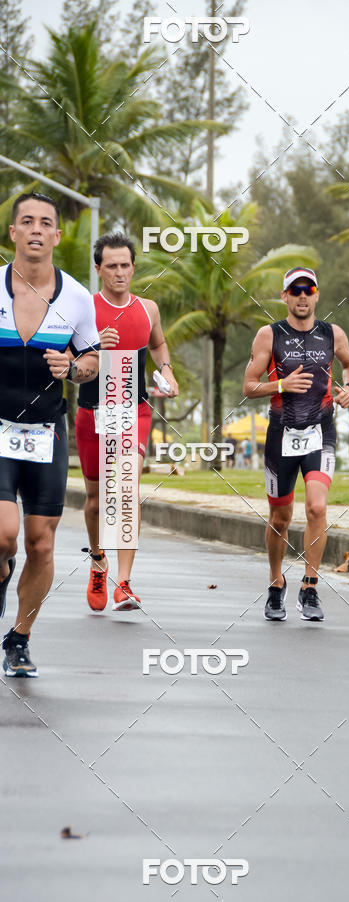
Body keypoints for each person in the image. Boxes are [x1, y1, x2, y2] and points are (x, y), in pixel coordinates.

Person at [0, 193, 100, 677]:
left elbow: (93, 360)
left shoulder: (77, 298)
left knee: (40, 543)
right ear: (13, 233)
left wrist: (74, 367)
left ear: (57, 236)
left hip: (45, 433)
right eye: (26, 222)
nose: (36, 229)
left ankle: (19, 637)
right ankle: (2, 576)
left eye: (46, 223)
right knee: (5, 535)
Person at [243, 266, 349, 622]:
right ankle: (276, 585)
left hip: (320, 433)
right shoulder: (269, 335)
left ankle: (310, 587)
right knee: (280, 517)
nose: (303, 296)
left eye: (309, 289)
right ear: (285, 297)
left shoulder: (332, 334)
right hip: (281, 435)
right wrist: (280, 385)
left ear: (317, 295)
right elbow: (248, 386)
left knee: (317, 509)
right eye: (296, 290)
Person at [75, 232, 178, 613]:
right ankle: (98, 560)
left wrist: (166, 370)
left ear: (134, 267)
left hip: (134, 409)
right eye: (111, 266)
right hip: (92, 410)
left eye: (125, 265)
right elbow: (70, 364)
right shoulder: (84, 308)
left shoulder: (148, 308)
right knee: (95, 498)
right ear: (99, 268)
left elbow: (158, 344)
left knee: (127, 490)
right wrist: (93, 344)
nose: (119, 273)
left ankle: (124, 584)